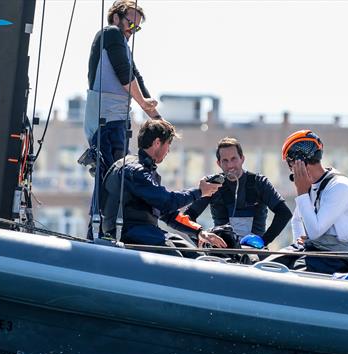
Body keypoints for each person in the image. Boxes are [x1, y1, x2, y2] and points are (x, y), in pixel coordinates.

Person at [82, 0, 161, 238]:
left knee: (118, 177)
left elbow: (136, 75)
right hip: (105, 119)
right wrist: (143, 104)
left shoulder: (123, 43)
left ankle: (107, 232)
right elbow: (124, 72)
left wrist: (156, 117)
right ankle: (95, 233)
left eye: (137, 28)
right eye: (130, 24)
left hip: (117, 121)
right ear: (116, 17)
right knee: (108, 176)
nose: (131, 31)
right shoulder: (110, 33)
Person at [102, 119, 226, 255]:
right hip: (129, 233)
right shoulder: (136, 171)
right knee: (175, 257)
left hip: (146, 232)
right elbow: (167, 202)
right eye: (168, 144)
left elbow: (167, 213)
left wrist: (199, 232)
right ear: (157, 143)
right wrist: (200, 192)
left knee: (195, 255)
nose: (168, 150)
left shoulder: (147, 171)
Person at [273, 129, 348, 274]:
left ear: (300, 162)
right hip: (314, 250)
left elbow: (315, 231)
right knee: (270, 265)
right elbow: (297, 220)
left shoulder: (339, 186)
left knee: (293, 273)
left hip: (338, 257)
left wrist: (302, 192)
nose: (291, 170)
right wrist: (299, 243)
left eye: (290, 163)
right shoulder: (310, 185)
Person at [186, 137, 292, 247]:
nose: (230, 165)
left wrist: (264, 241)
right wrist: (202, 239)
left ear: (242, 158)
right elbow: (187, 216)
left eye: (234, 159)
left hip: (255, 251)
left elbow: (284, 213)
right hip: (222, 252)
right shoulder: (212, 184)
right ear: (218, 163)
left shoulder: (260, 183)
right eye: (225, 161)